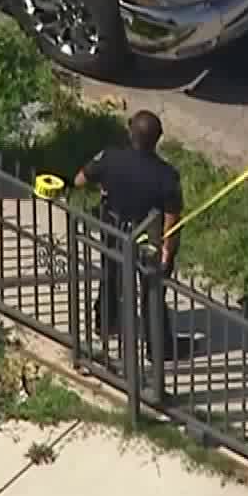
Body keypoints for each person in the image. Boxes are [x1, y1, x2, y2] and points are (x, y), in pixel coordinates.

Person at [75, 110, 184, 352]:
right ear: (158, 138)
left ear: (129, 131)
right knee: (151, 290)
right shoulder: (167, 176)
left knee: (110, 274)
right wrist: (167, 251)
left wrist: (104, 184)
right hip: (147, 236)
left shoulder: (110, 157)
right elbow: (172, 217)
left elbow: (80, 180)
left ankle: (105, 323)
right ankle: (158, 347)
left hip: (113, 227)